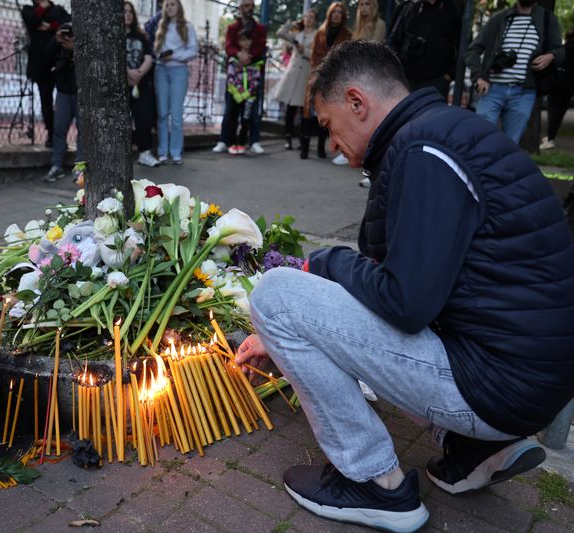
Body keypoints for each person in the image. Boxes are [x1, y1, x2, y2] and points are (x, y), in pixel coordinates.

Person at [237, 41, 574, 532]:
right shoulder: (443, 134)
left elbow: (405, 301)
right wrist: (291, 335)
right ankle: (473, 448)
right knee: (313, 309)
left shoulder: (425, 152)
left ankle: (375, 484)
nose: (332, 145)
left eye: (329, 127)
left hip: (501, 385)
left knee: (275, 294)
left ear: (357, 102)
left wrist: (323, 265)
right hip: (525, 375)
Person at [465, 0, 563, 144]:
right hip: (491, 90)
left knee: (510, 145)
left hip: (524, 94)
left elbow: (560, 51)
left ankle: (501, 167)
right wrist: (479, 77)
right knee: (481, 138)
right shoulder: (499, 18)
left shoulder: (547, 19)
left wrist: (551, 56)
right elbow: (472, 50)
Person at [213, 0, 267, 155]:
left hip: (252, 77)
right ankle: (224, 140)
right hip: (235, 77)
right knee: (230, 109)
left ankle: (254, 141)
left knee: (252, 110)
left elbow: (260, 46)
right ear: (240, 7)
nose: (249, 8)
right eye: (246, 5)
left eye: (251, 5)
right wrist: (238, 55)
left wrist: (247, 58)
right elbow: (229, 46)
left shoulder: (260, 29)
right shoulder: (232, 28)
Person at [302, 2, 351, 161]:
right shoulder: (320, 32)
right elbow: (314, 55)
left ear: (343, 16)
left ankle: (321, 147)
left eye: (339, 12)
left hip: (335, 80)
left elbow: (344, 59)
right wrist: (317, 74)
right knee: (309, 114)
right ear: (329, 14)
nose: (336, 14)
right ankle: (305, 147)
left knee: (327, 115)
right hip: (317, 77)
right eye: (334, 12)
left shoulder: (347, 35)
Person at [21, 0, 71, 148]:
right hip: (41, 65)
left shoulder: (58, 9)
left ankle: (61, 135)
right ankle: (52, 135)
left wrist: (50, 26)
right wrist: (41, 10)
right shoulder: (29, 9)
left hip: (60, 62)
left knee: (64, 101)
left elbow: (67, 24)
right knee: (46, 102)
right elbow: (31, 21)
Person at [153, 0, 197, 165]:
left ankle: (176, 151)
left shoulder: (187, 27)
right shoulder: (161, 26)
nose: (170, 7)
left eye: (173, 4)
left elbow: (193, 50)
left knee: (176, 114)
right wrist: (161, 55)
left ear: (179, 6)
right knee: (162, 113)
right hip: (161, 70)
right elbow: (156, 50)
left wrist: (174, 56)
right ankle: (162, 151)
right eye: (167, 5)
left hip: (179, 71)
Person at [387, 0, 461, 96]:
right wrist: (397, 71)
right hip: (406, 79)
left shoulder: (452, 10)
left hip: (436, 81)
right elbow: (393, 40)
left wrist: (449, 75)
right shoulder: (409, 7)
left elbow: (462, 45)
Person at [350, 0, 387, 178]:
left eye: (367, 3)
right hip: (356, 75)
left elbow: (375, 50)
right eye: (361, 4)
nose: (364, 7)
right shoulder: (357, 26)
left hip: (371, 76)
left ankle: (371, 160)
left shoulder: (379, 25)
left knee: (371, 117)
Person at [273, 10, 318, 152]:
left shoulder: (317, 35)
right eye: (306, 17)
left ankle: (302, 138)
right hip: (292, 74)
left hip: (305, 75)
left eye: (311, 17)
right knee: (290, 108)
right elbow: (280, 33)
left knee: (303, 109)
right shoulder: (297, 33)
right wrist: (291, 24)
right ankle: (288, 137)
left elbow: (317, 55)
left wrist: (304, 50)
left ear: (315, 20)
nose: (308, 20)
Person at [41, 23, 79, 182]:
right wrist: (56, 41)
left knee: (83, 129)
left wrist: (75, 48)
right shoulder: (58, 44)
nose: (68, 37)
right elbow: (46, 60)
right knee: (59, 128)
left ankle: (80, 167)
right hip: (63, 90)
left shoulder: (83, 40)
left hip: (80, 90)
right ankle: (57, 165)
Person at [125, 2, 158, 168]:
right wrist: (128, 73)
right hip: (121, 86)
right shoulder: (113, 37)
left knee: (144, 117)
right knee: (122, 120)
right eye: (124, 12)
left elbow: (148, 57)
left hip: (141, 83)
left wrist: (139, 73)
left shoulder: (141, 36)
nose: (128, 15)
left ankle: (145, 153)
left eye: (130, 12)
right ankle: (122, 154)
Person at [224, 29, 264, 155]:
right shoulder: (233, 60)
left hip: (249, 97)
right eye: (242, 40)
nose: (245, 42)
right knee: (233, 119)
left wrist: (247, 93)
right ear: (239, 42)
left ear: (251, 41)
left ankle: (241, 144)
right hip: (235, 96)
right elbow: (231, 78)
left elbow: (256, 79)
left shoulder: (255, 61)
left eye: (248, 40)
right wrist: (238, 93)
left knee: (245, 120)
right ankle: (231, 144)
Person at [541, 26, 574, 150]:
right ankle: (550, 137)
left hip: (559, 84)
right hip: (568, 86)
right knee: (559, 113)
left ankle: (550, 139)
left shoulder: (566, 48)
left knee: (554, 112)